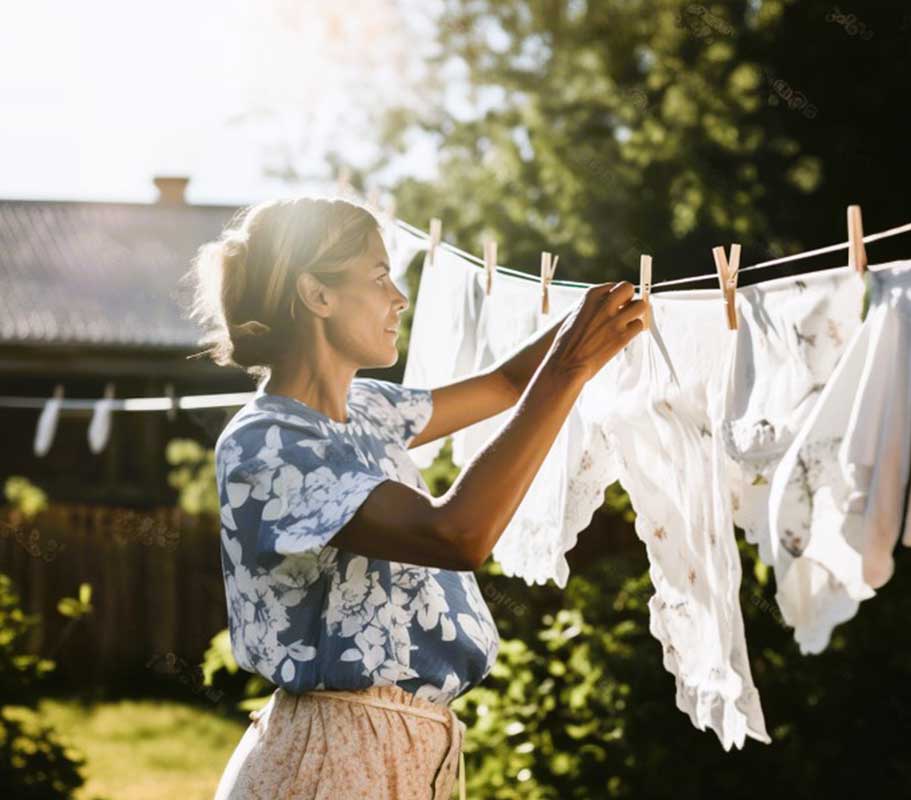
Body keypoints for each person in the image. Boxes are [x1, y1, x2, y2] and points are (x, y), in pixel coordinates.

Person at [184, 196, 648, 800]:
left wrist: (589, 321)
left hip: (408, 753)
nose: (399, 298)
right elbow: (454, 535)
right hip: (331, 759)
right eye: (380, 278)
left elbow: (508, 385)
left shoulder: (370, 409)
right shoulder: (264, 444)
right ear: (316, 296)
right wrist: (568, 369)